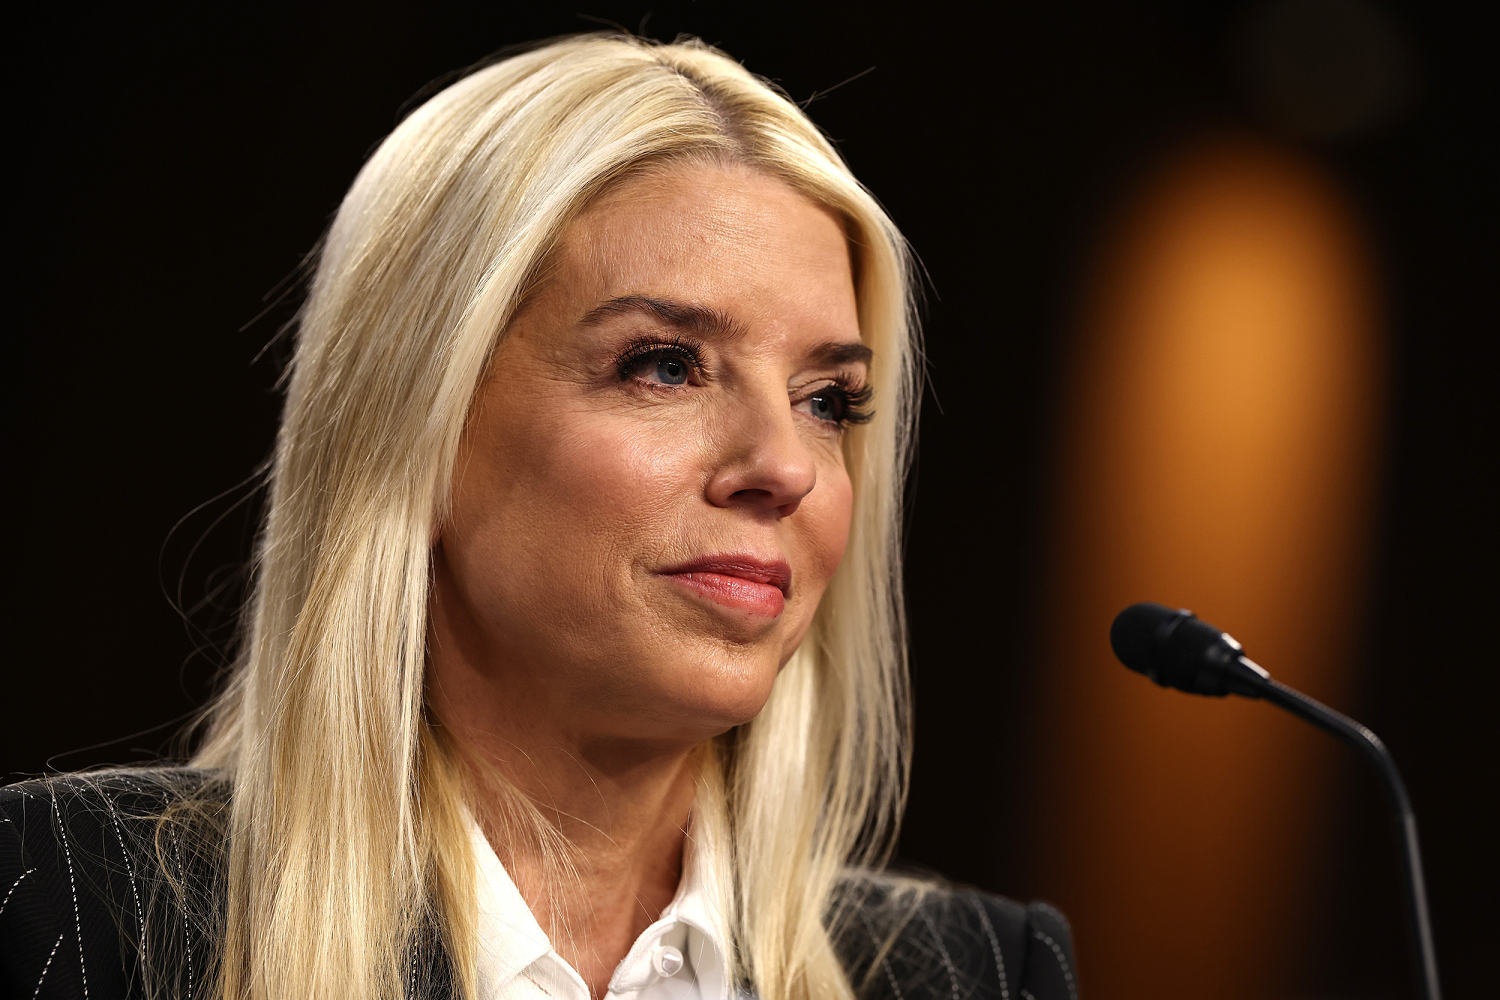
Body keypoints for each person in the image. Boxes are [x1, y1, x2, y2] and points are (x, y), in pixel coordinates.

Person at [0, 32, 1077, 1000]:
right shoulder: (71, 910)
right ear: (416, 423)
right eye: (666, 365)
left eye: (828, 400)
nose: (784, 467)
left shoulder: (977, 975)